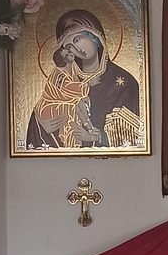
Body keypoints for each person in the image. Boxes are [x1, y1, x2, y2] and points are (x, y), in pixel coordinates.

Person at [27, 8, 141, 150]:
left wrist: (98, 137)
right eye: (69, 47)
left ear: (95, 37)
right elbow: (47, 102)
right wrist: (40, 123)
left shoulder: (125, 83)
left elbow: (131, 138)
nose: (75, 48)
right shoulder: (66, 79)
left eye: (77, 40)